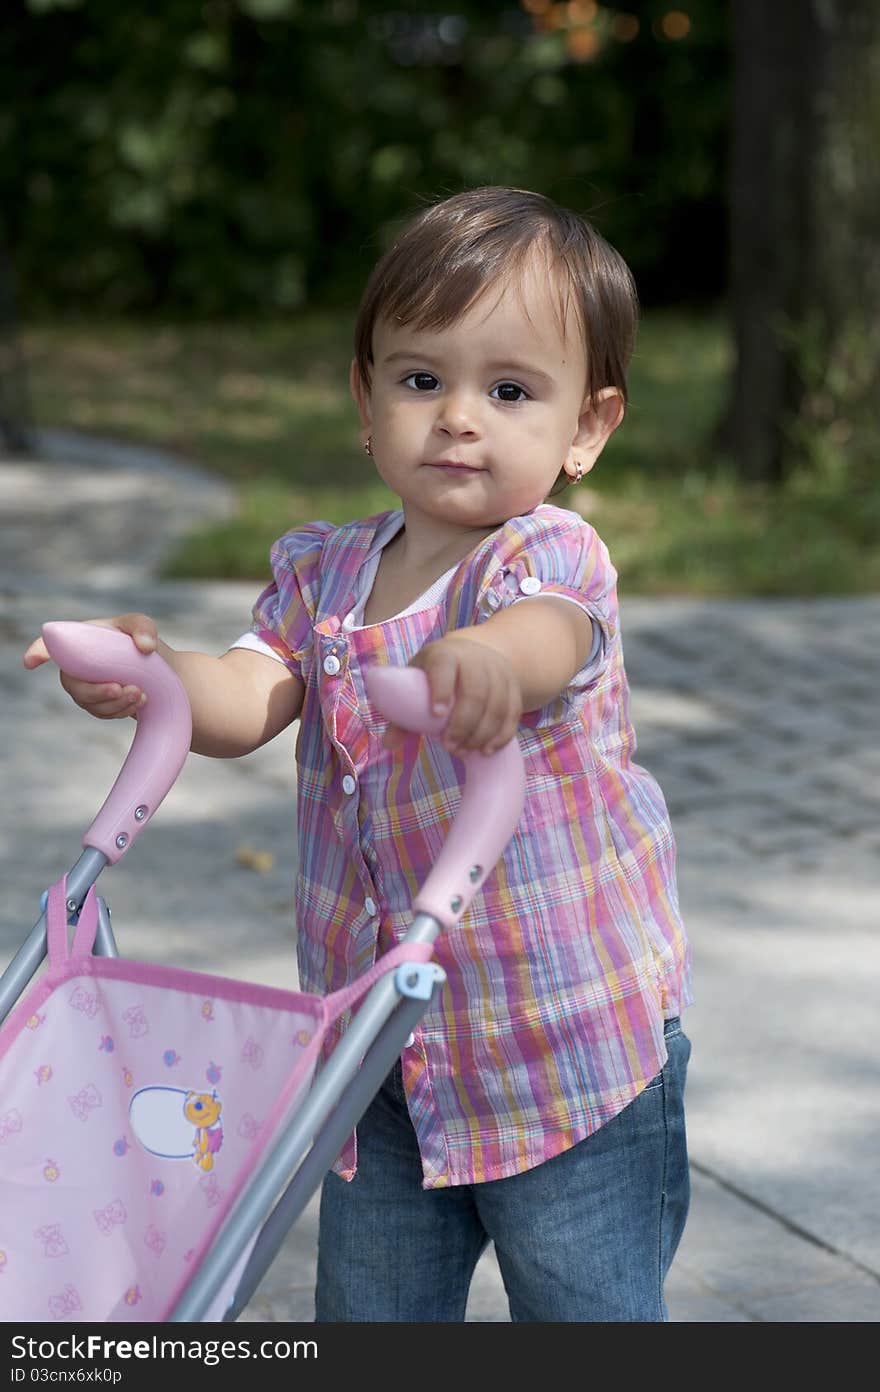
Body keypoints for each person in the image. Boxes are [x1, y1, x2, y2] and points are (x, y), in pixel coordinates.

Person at [24, 187, 692, 1323]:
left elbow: (546, 638)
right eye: (421, 379)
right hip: (377, 1054)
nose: (459, 417)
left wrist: (486, 662)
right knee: (371, 1315)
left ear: (586, 427)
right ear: (365, 397)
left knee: (590, 1312)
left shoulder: (547, 561)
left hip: (565, 1054)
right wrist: (154, 674)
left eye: (511, 389)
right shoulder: (322, 570)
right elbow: (244, 695)